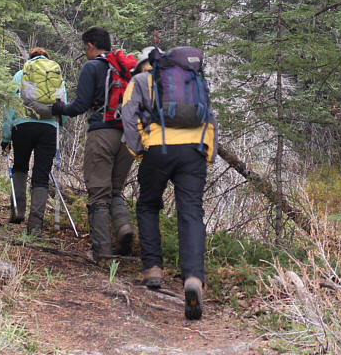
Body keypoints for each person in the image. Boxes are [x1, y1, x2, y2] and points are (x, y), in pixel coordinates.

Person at [121, 46, 218, 321]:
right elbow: (210, 115)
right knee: (191, 213)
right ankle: (194, 279)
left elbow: (127, 114)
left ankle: (152, 269)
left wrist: (138, 148)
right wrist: (208, 152)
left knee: (149, 205)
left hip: (158, 148)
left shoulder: (141, 81)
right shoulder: (194, 80)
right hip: (194, 151)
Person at [50, 27, 135, 260]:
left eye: (83, 47)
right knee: (116, 190)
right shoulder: (125, 70)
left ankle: (102, 252)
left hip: (103, 134)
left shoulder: (92, 67)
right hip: (129, 137)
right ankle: (124, 227)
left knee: (98, 193)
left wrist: (60, 109)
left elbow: (79, 106)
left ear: (89, 45)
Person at [1, 47, 67, 236]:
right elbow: (62, 107)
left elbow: (9, 106)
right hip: (48, 129)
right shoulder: (56, 76)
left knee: (20, 166)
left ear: (30, 59)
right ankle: (35, 225)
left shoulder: (21, 74)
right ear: (48, 59)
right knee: (41, 174)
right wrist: (57, 130)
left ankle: (17, 210)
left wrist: (6, 138)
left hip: (22, 126)